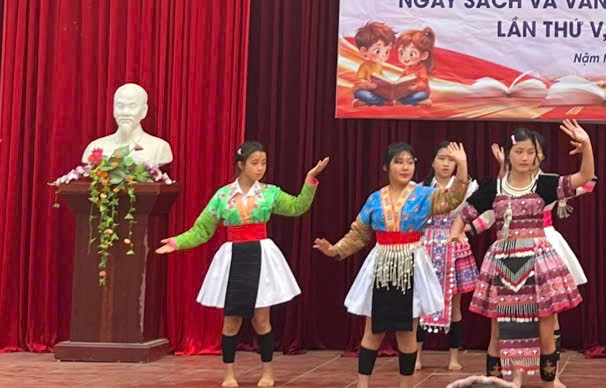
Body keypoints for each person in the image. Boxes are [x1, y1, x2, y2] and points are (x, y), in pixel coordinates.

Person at [157, 142, 328, 388]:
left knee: (262, 320)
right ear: (241, 165)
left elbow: (297, 206)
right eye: (254, 163)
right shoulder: (223, 196)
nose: (260, 168)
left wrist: (310, 180)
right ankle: (228, 374)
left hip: (262, 256)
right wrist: (177, 242)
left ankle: (267, 372)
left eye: (264, 163)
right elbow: (202, 230)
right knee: (231, 320)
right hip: (234, 257)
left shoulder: (270, 193)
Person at [314, 141, 469, 388]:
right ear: (387, 166)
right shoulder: (375, 199)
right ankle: (362, 384)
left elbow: (454, 199)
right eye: (399, 162)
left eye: (410, 162)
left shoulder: (424, 195)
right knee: (373, 330)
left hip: (411, 263)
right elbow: (359, 233)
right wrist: (335, 250)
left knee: (407, 333)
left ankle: (405, 385)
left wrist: (462, 166)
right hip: (382, 264)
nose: (405, 167)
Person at [458, 122, 594, 386]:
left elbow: (585, 178)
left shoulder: (545, 183)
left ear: (539, 155)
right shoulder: (497, 187)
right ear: (508, 153)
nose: (525, 157)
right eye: (519, 151)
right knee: (500, 327)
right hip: (504, 260)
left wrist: (586, 145)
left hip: (540, 253)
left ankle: (550, 380)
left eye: (531, 152)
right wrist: (458, 231)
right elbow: (476, 213)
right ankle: (506, 380)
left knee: (547, 322)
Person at [417, 140, 481, 372]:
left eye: (451, 160)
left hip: (454, 246)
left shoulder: (467, 187)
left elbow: (480, 214)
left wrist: (462, 228)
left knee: (455, 306)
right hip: (426, 246)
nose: (446, 164)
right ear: (433, 162)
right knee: (420, 304)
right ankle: (417, 356)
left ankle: (454, 357)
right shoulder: (421, 188)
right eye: (441, 158)